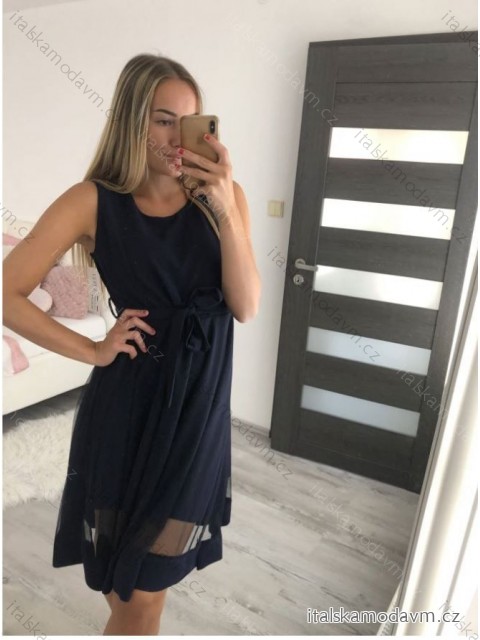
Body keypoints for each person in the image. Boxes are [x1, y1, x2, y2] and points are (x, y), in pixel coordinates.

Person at [3, 53, 261, 635]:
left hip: (196, 416)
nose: (178, 138)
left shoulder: (227, 198)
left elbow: (245, 305)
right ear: (131, 121)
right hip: (126, 409)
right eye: (163, 120)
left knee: (142, 592)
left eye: (189, 122)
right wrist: (93, 350)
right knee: (129, 592)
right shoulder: (92, 201)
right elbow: (7, 293)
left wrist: (223, 205)